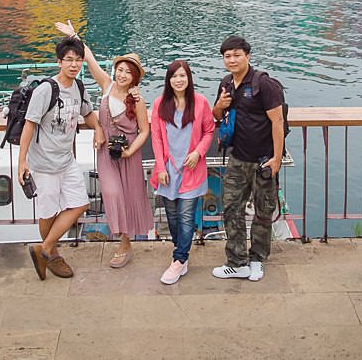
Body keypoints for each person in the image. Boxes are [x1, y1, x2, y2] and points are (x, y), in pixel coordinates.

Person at [55, 21, 153, 267]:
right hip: (106, 150)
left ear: (134, 77)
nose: (121, 75)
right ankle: (121, 235)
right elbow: (89, 59)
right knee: (112, 192)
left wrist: (131, 150)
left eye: (127, 72)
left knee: (131, 196)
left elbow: (145, 130)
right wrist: (75, 36)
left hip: (129, 152)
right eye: (119, 69)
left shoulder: (137, 100)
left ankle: (125, 243)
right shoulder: (107, 85)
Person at [19, 36, 105, 280]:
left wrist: (98, 128)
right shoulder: (46, 89)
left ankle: (43, 249)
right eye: (69, 60)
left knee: (80, 204)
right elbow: (29, 125)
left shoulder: (78, 88)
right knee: (48, 212)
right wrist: (21, 161)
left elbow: (87, 113)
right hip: (44, 164)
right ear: (59, 62)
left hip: (66, 161)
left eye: (78, 60)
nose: (74, 65)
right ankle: (52, 253)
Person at [211, 35, 285, 282]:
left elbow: (277, 121)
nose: (232, 60)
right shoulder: (226, 83)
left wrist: (276, 159)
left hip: (264, 160)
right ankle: (237, 261)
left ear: (248, 56)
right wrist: (220, 104)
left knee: (264, 212)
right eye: (227, 56)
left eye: (236, 55)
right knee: (232, 208)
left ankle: (257, 259)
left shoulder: (264, 85)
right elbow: (216, 114)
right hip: (237, 158)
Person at [149, 59, 215, 285]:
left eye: (182, 76)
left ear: (189, 78)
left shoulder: (200, 102)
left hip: (192, 169)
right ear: (168, 80)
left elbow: (209, 130)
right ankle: (181, 253)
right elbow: (156, 138)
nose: (178, 80)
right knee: (173, 216)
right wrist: (159, 167)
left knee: (186, 216)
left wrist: (198, 152)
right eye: (174, 76)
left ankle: (178, 260)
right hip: (168, 170)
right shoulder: (160, 104)